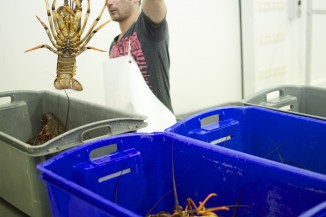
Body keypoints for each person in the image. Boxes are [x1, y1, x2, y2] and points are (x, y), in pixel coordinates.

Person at [106, 0, 174, 114]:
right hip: (126, 127)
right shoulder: (113, 46)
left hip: (157, 124)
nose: (109, 3)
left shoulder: (149, 27)